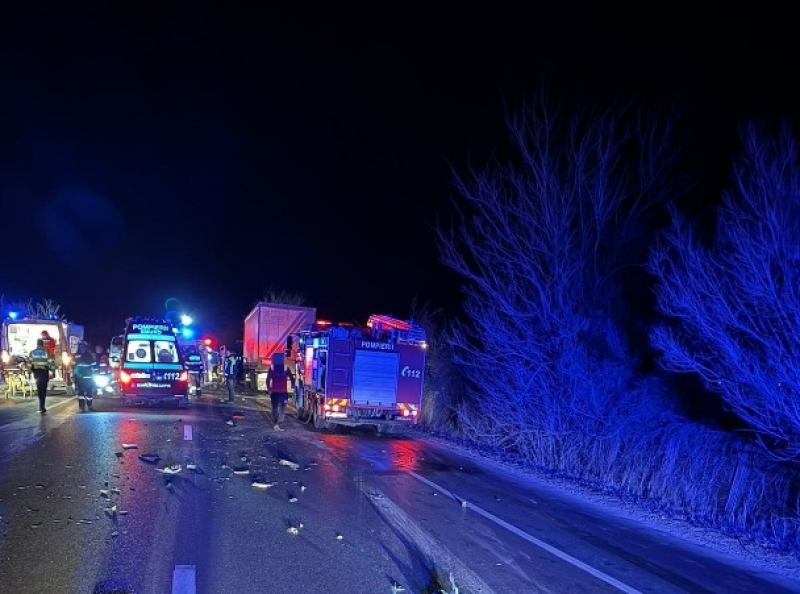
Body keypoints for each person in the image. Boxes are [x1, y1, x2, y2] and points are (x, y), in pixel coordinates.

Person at [266, 352, 295, 431]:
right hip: (283, 392)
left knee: (274, 408)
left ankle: (276, 424)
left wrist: (269, 389)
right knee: (282, 409)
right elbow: (292, 378)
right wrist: (293, 385)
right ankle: (278, 423)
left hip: (274, 392)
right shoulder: (286, 368)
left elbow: (268, 380)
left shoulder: (271, 368)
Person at [29, 339, 53, 413]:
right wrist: (53, 370)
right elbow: (50, 362)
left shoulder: (32, 352)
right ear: (43, 344)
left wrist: (29, 371)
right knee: (43, 389)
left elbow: (30, 363)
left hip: (36, 373)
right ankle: (42, 406)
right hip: (44, 373)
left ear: (37, 344)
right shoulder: (46, 352)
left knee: (39, 389)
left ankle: (40, 406)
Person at [73, 342, 96, 412]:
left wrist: (94, 372)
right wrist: (76, 374)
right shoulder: (77, 355)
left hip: (89, 377)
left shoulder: (89, 355)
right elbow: (74, 365)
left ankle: (90, 406)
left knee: (89, 393)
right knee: (81, 393)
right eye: (81, 346)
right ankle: (82, 407)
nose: (82, 348)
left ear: (86, 347)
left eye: (83, 346)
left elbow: (93, 365)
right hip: (80, 377)